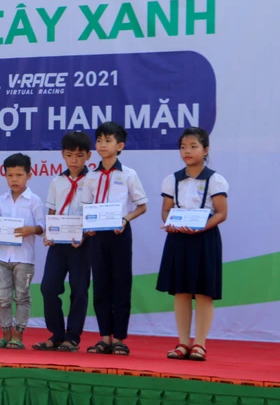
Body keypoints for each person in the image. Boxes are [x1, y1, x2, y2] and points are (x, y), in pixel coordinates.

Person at [158, 127, 227, 362]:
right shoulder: (172, 179)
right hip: (178, 239)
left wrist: (200, 227)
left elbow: (221, 213)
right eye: (183, 147)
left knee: (203, 291)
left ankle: (200, 344)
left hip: (204, 239)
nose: (187, 151)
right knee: (181, 290)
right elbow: (166, 211)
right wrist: (170, 223)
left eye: (193, 146)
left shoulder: (215, 179)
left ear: (206, 150)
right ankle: (183, 342)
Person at [81, 121, 147, 356]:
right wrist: (88, 227)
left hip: (119, 235)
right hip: (97, 236)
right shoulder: (91, 176)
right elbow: (86, 207)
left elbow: (142, 206)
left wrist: (125, 219)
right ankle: (104, 338)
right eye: (99, 140)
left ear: (120, 146)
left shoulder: (128, 174)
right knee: (100, 285)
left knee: (120, 284)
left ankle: (119, 338)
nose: (102, 145)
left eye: (108, 140)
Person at [36, 131, 93, 352]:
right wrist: (48, 232)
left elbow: (94, 213)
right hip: (58, 243)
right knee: (48, 287)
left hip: (82, 243)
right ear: (63, 155)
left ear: (88, 155)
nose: (74, 160)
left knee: (79, 289)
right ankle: (57, 333)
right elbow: (52, 210)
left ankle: (73, 336)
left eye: (79, 155)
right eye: (69, 155)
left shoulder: (93, 180)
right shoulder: (57, 181)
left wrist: (85, 235)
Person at [0, 154, 44, 350]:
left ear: (29, 175)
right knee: (1, 298)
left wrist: (31, 229)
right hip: (1, 256)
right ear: (4, 176)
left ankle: (18, 335)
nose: (14, 179)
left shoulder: (34, 201)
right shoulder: (1, 200)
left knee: (22, 297)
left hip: (24, 258)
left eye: (19, 175)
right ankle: (5, 334)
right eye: (10, 175)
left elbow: (43, 227)